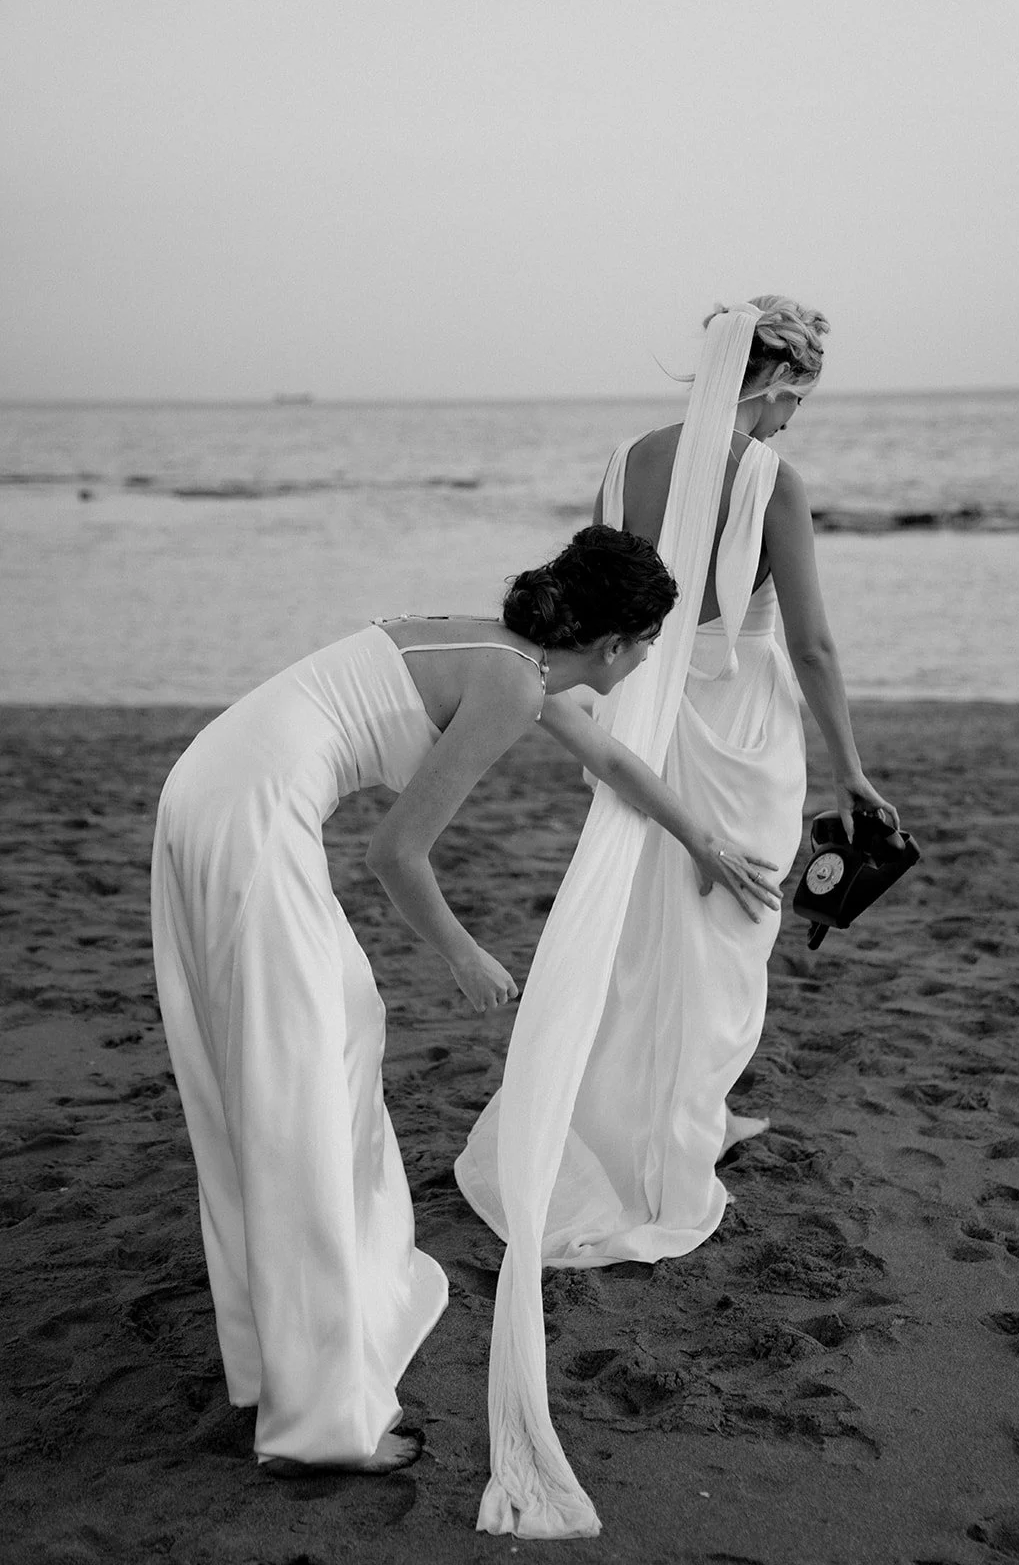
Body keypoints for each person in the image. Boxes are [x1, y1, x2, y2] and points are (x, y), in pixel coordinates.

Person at [150, 524, 778, 1478]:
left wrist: (698, 839)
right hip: (244, 818)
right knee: (301, 1082)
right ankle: (321, 1422)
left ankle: (289, 1346)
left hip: (211, 790)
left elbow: (608, 762)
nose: (651, 656)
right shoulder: (511, 681)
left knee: (331, 1045)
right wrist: (464, 954)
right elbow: (394, 852)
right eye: (649, 640)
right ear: (611, 643)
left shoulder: (505, 654)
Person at [454, 299, 899, 1539]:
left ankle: (645, 1117)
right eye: (794, 390)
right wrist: (852, 770)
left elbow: (602, 608)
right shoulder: (771, 476)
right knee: (719, 941)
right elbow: (805, 643)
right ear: (774, 385)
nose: (793, 411)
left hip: (642, 727)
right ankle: (669, 1147)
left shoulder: (621, 461)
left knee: (644, 933)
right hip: (742, 734)